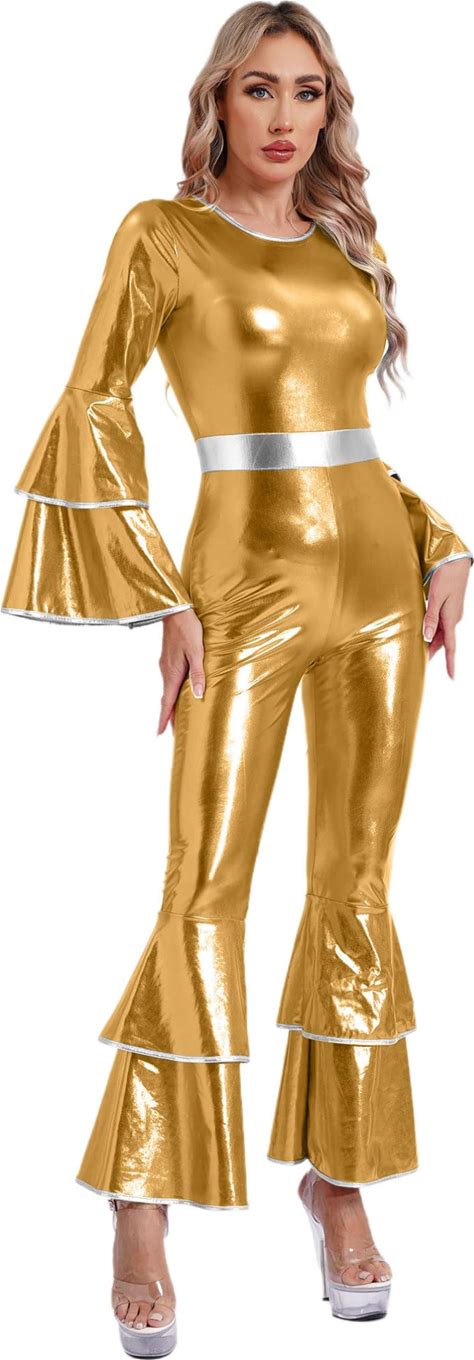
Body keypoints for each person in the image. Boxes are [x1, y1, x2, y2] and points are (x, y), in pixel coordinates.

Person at [3, 0, 472, 1343]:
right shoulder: (162, 234)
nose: (285, 118)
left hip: (379, 597)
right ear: (216, 99)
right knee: (203, 885)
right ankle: (140, 1200)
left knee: (356, 885)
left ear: (331, 109)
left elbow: (340, 439)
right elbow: (94, 403)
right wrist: (159, 592)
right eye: (259, 89)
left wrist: (439, 539)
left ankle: (339, 1182)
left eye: (308, 93)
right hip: (238, 593)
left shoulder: (343, 239)